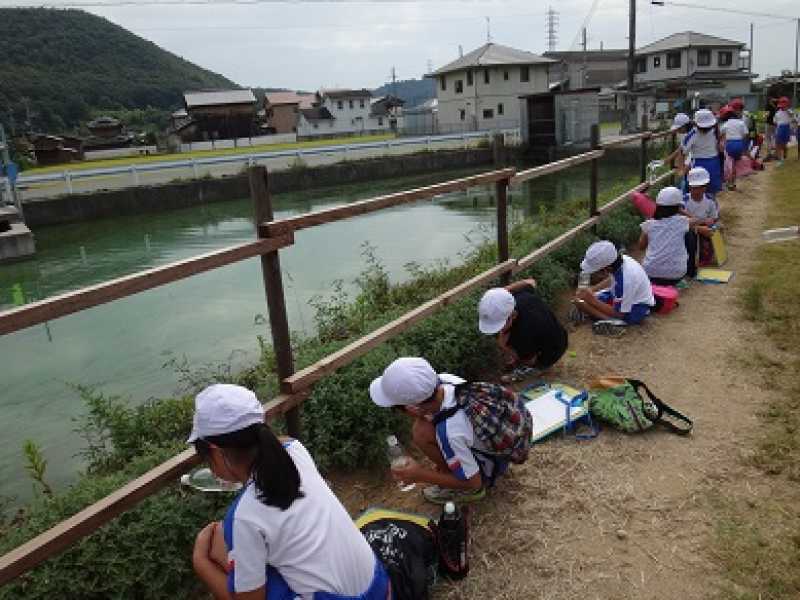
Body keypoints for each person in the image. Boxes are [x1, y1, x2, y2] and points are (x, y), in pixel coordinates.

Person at [189, 384, 390, 600]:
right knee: (233, 541)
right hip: (380, 586)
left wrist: (201, 562)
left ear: (216, 453)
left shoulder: (244, 516)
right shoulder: (295, 451)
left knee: (219, 545)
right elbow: (280, 441)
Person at [369, 357, 502, 505]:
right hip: (496, 444)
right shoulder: (446, 380)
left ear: (413, 406)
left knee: (421, 432)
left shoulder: (449, 432)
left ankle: (463, 490)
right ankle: (453, 470)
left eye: (397, 408)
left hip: (490, 467)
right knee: (423, 427)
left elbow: (474, 482)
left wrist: (420, 475)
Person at [477, 279, 568, 377]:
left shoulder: (524, 333)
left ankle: (539, 368)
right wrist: (503, 291)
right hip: (559, 332)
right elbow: (531, 282)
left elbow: (529, 360)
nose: (499, 329)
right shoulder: (518, 297)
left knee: (530, 360)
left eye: (500, 325)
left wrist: (504, 346)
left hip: (553, 351)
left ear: (513, 315)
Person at [572, 240, 655, 325]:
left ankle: (610, 321)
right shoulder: (619, 261)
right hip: (627, 297)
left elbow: (620, 314)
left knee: (582, 303)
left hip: (636, 308)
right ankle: (596, 309)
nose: (593, 273)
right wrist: (592, 289)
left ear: (606, 269)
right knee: (587, 299)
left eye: (594, 271)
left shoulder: (624, 281)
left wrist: (592, 301)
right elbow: (610, 279)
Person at [637, 187, 690, 286]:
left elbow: (641, 247)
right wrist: (681, 211)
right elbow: (696, 219)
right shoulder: (682, 221)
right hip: (676, 274)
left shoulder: (649, 224)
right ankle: (690, 272)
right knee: (689, 233)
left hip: (651, 273)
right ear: (678, 207)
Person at [682, 167, 718, 278]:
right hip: (689, 228)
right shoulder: (684, 201)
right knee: (690, 236)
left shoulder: (710, 200)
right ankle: (691, 260)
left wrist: (711, 222)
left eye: (700, 188)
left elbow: (714, 217)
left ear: (705, 187)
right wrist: (700, 224)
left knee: (716, 230)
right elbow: (682, 221)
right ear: (689, 187)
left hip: (705, 227)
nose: (697, 191)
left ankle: (707, 256)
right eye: (694, 188)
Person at [679, 109, 723, 197]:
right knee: (710, 190)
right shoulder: (715, 131)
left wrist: (682, 168)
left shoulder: (692, 135)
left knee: (696, 189)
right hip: (713, 163)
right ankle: (710, 207)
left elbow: (682, 152)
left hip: (699, 164)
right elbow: (721, 149)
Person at [719, 105, 749, 190]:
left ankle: (729, 183)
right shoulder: (741, 122)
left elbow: (720, 134)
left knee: (729, 164)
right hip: (739, 143)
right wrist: (744, 146)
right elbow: (746, 134)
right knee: (735, 164)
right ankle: (733, 183)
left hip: (730, 144)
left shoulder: (726, 124)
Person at [774, 96, 794, 164]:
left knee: (784, 144)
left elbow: (792, 115)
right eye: (781, 106)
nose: (782, 107)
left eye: (784, 106)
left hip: (786, 128)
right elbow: (775, 122)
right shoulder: (777, 113)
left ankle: (785, 152)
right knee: (778, 144)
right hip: (780, 128)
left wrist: (787, 110)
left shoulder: (789, 111)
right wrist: (776, 131)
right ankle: (780, 160)